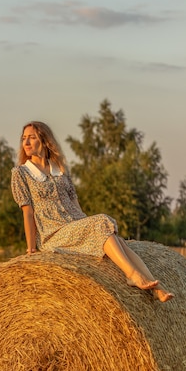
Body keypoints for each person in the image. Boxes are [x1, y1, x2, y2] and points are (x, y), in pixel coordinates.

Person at [11, 121, 174, 303]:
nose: (26, 142)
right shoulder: (21, 173)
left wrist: (90, 228)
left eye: (31, 137)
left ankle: (156, 287)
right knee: (101, 222)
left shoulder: (60, 169)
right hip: (53, 233)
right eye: (24, 138)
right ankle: (131, 274)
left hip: (74, 225)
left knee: (117, 240)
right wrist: (31, 248)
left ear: (44, 140)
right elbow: (28, 212)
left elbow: (75, 202)